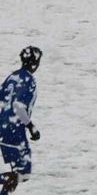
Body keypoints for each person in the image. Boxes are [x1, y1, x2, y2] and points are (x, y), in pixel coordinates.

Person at [1, 47, 42, 195]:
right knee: (23, 173)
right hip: (14, 130)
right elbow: (18, 106)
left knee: (15, 173)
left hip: (3, 128)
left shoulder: (12, 78)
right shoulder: (28, 80)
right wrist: (31, 126)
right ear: (35, 63)